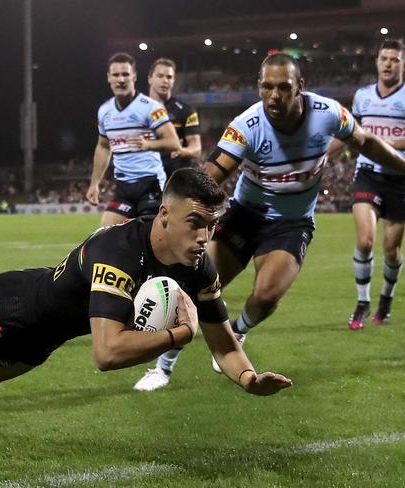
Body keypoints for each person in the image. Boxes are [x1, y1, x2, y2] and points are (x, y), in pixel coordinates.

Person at [0, 168, 292, 412]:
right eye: (195, 223)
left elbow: (222, 337)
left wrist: (249, 378)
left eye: (211, 225)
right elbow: (106, 353)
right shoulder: (118, 254)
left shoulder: (195, 263)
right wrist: (176, 337)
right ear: (164, 215)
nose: (204, 237)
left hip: (42, 335)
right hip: (12, 312)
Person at [134, 52, 405, 392]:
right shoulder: (247, 126)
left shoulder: (329, 114)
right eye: (267, 87)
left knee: (265, 297)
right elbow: (210, 177)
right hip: (246, 217)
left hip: (292, 224)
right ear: (258, 87)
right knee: (194, 288)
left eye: (283, 87)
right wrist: (174, 216)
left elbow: (366, 142)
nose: (274, 96)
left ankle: (237, 332)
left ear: (300, 87)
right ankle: (163, 367)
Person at [344, 40, 405, 330]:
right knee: (365, 240)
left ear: (402, 64)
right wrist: (320, 157)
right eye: (384, 58)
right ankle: (362, 302)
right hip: (368, 172)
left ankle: (386, 298)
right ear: (377, 62)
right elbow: (350, 133)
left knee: (391, 249)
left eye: (394, 59)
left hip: (400, 178)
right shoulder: (362, 96)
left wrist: (390, 143)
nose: (388, 63)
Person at [86, 52, 180, 227]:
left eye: (125, 74)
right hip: (123, 188)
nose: (121, 79)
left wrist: (149, 144)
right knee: (106, 235)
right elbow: (103, 147)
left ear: (134, 77)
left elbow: (173, 143)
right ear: (108, 78)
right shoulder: (104, 111)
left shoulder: (151, 108)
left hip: (150, 184)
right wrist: (94, 184)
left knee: (151, 240)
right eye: (116, 75)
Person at [147, 58, 202, 177]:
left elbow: (196, 148)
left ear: (173, 81)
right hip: (145, 178)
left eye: (169, 77)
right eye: (160, 76)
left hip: (175, 180)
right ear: (150, 78)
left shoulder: (187, 110)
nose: (165, 80)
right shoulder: (136, 110)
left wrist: (182, 151)